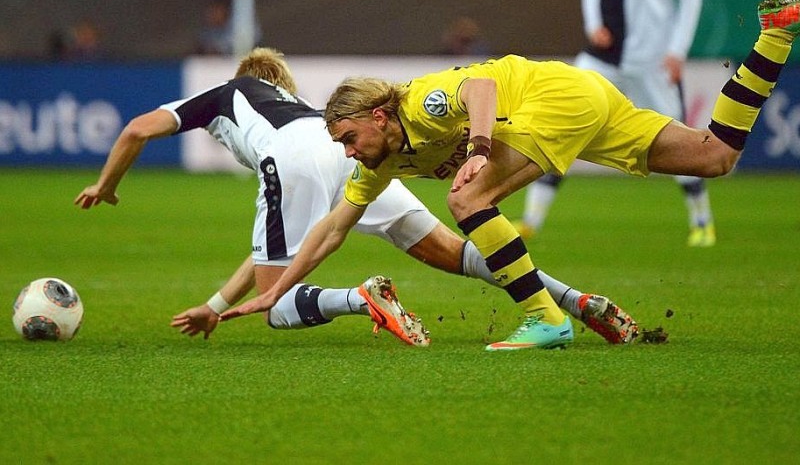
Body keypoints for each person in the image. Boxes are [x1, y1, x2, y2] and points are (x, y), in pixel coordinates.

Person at [219, 0, 800, 352]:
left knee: (467, 198)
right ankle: (776, 33)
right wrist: (276, 290)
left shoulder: (420, 102)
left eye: (348, 138)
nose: (346, 152)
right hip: (587, 97)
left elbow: (481, 85)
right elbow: (332, 228)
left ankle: (545, 319)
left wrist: (477, 145)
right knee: (714, 156)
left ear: (377, 116)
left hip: (556, 95)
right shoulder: (381, 159)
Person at [74, 47, 639, 348]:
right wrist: (218, 305)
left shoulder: (224, 92)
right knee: (456, 252)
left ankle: (360, 298)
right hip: (349, 158)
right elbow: (287, 242)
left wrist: (106, 185)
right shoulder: (321, 121)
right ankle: (574, 302)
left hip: (299, 164)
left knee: (280, 306)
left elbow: (135, 130)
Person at [517, 0, 716, 247]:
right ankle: (531, 219)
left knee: (681, 137)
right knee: (560, 121)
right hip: (602, 57)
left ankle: (702, 220)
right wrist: (594, 25)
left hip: (652, 59)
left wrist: (677, 51)